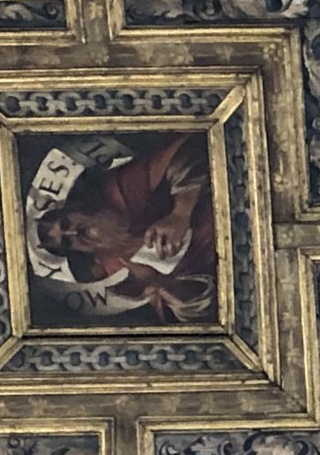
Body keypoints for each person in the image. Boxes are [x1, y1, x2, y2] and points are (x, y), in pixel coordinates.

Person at [32, 132, 217, 322]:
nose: (73, 232)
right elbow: (195, 311)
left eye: (65, 223)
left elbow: (192, 149)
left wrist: (180, 212)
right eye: (67, 242)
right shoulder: (119, 276)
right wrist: (161, 283)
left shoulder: (122, 190)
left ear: (75, 208)